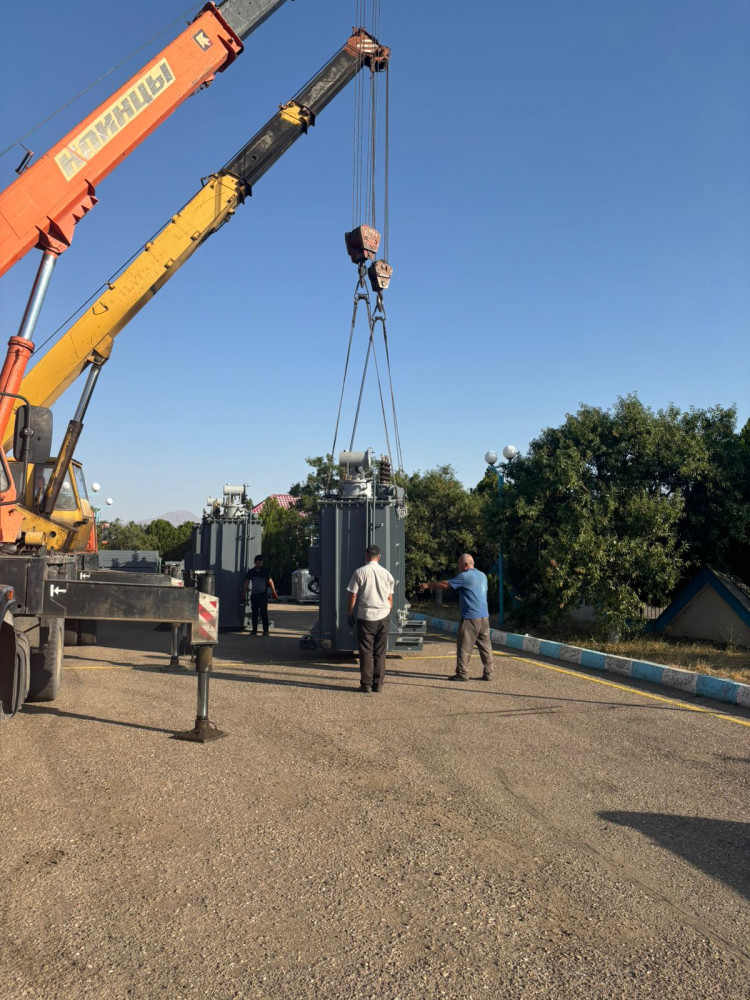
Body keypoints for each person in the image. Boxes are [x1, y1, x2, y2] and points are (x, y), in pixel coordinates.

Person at [420, 553, 493, 682]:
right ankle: (488, 673)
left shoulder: (465, 576)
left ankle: (462, 673)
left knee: (464, 646)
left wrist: (428, 585)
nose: (457, 568)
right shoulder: (482, 576)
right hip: (484, 616)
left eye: (459, 565)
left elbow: (445, 585)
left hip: (471, 616)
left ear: (465, 565)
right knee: (485, 646)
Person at [346, 544, 394, 693]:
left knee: (366, 651)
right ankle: (378, 684)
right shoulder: (387, 574)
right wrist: (386, 610)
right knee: (380, 651)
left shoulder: (359, 572)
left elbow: (353, 594)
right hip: (383, 615)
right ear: (379, 557)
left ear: (366, 556)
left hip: (366, 616)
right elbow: (390, 598)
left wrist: (349, 613)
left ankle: (366, 684)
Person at [242, 555, 278, 636]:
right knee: (254, 614)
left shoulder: (265, 571)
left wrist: (274, 592)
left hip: (263, 596)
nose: (259, 564)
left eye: (261, 563)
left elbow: (270, 582)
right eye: (258, 563)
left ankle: (266, 631)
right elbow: (247, 583)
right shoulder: (251, 572)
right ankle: (254, 631)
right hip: (254, 596)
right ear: (255, 562)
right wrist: (243, 593)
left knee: (263, 613)